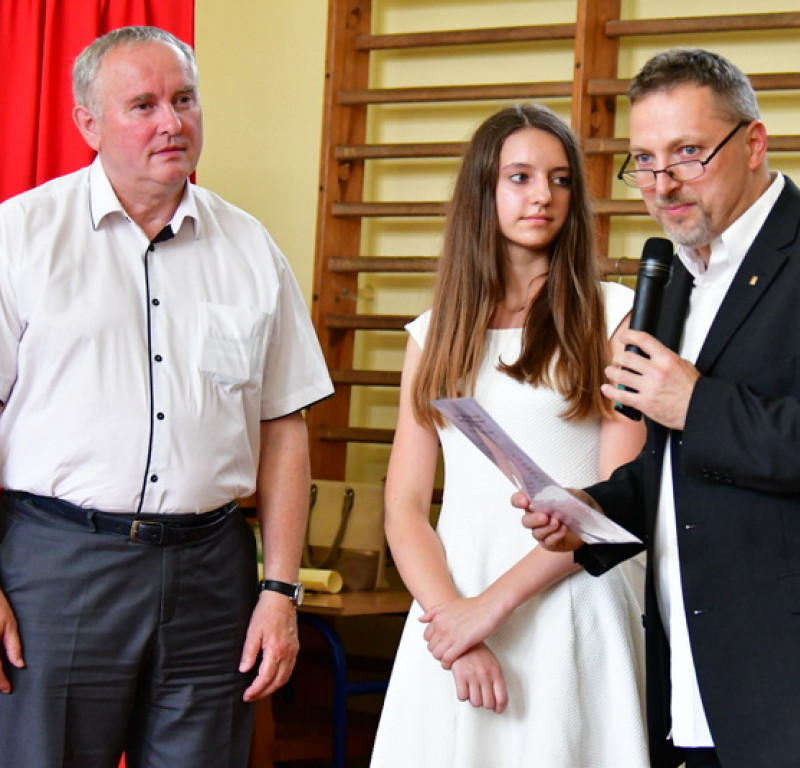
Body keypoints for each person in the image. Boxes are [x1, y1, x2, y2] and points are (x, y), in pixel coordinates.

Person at [520, 47, 800, 768]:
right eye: (646, 161)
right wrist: (586, 513)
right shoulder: (678, 280)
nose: (663, 183)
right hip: (698, 682)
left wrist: (696, 402)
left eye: (689, 153)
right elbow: (677, 471)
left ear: (754, 143)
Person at [0, 26, 333, 767]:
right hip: (57, 567)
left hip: (212, 572)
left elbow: (284, 426)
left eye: (184, 99)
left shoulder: (251, 249)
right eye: (143, 105)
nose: (172, 123)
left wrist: (280, 590)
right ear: (87, 123)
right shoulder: (19, 238)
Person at [370, 104, 649, 768]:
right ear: (483, 192)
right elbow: (404, 505)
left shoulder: (616, 314)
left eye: (559, 179)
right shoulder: (432, 333)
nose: (542, 196)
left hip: (572, 598)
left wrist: (489, 611)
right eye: (520, 177)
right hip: (452, 599)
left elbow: (620, 499)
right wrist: (455, 625)